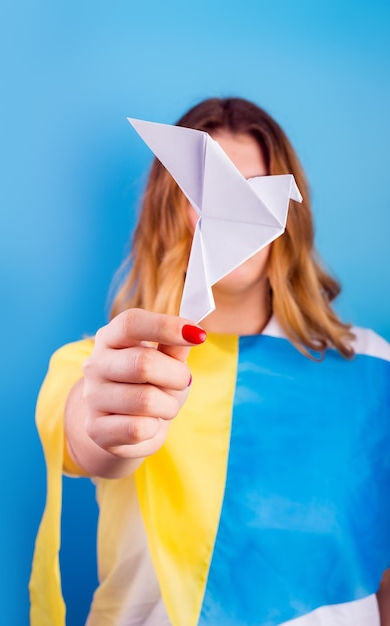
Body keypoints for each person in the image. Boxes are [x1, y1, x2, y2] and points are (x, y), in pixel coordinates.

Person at [29, 97, 390, 626]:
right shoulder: (98, 362)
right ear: (171, 209)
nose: (230, 213)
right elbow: (93, 435)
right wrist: (113, 420)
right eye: (208, 192)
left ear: (287, 212)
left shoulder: (372, 365)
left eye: (251, 190)